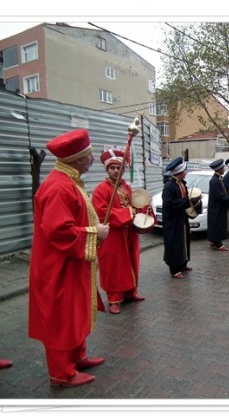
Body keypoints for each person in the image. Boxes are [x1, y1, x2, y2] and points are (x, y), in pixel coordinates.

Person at [29, 129, 110, 387]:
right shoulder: (58, 187)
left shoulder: (69, 180)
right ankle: (61, 374)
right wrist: (95, 232)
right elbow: (58, 231)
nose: (92, 159)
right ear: (76, 160)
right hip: (58, 267)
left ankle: (77, 357)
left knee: (75, 311)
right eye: (88, 155)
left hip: (72, 263)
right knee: (62, 317)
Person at [92, 148, 145, 315]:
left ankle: (129, 292)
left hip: (128, 232)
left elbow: (134, 204)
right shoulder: (100, 189)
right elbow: (102, 212)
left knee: (130, 262)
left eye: (119, 168)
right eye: (112, 168)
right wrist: (128, 213)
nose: (116, 171)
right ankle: (114, 299)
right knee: (114, 266)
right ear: (107, 170)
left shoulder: (126, 187)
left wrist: (142, 207)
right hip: (112, 235)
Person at [162, 157, 197, 279]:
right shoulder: (169, 186)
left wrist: (194, 202)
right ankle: (174, 269)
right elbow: (169, 203)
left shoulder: (182, 184)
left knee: (184, 240)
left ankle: (183, 263)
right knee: (174, 243)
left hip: (182, 218)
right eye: (185, 171)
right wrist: (185, 201)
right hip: (173, 221)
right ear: (179, 172)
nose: (186, 172)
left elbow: (185, 201)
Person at [207, 159, 229, 251]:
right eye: (223, 168)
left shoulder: (218, 179)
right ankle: (218, 244)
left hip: (218, 207)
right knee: (217, 225)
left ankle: (213, 241)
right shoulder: (215, 181)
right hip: (216, 208)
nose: (224, 169)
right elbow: (220, 196)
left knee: (216, 224)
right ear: (219, 169)